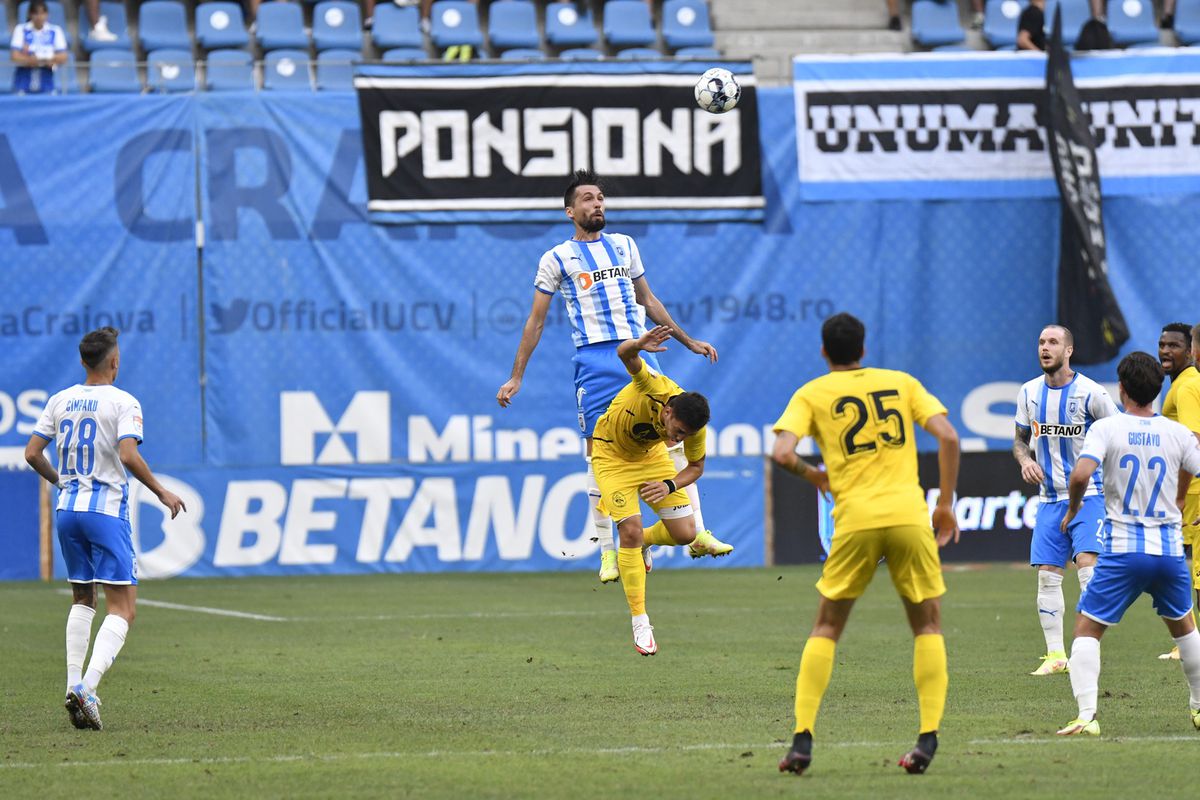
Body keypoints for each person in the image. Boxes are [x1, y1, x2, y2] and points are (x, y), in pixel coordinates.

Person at [496, 169, 719, 584]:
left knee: (669, 437)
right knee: (597, 449)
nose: (597, 203)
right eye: (587, 198)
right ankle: (608, 551)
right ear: (570, 210)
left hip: (640, 352)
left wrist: (687, 342)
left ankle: (696, 532)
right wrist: (517, 376)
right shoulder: (556, 258)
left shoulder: (624, 245)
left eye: (600, 197)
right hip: (596, 362)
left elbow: (648, 299)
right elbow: (536, 321)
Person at [772, 312, 960, 776]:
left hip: (855, 520)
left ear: (823, 351)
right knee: (928, 625)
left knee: (826, 627)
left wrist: (814, 474)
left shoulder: (812, 393)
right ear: (864, 348)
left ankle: (801, 740)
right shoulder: (900, 382)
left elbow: (781, 452)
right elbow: (949, 436)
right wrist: (945, 505)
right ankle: (928, 738)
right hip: (908, 517)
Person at [24, 327, 185, 731]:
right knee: (123, 608)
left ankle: (72, 686)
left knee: (82, 599)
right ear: (114, 361)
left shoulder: (60, 400)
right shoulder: (123, 402)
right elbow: (128, 455)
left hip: (68, 510)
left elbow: (31, 453)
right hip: (106, 512)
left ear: (82, 361)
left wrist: (62, 481)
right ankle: (87, 689)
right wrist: (162, 491)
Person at [1056, 351, 1200, 736]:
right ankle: (1199, 708)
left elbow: (1080, 475)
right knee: (1186, 629)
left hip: (1123, 550)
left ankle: (1087, 717)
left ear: (1121, 389)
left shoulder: (1107, 429)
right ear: (1156, 391)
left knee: (1087, 629)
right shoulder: (1178, 433)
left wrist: (1072, 510)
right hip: (1169, 552)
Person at [590, 325, 731, 656]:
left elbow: (695, 469)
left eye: (686, 435)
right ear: (668, 411)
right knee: (630, 530)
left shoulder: (694, 430)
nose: (680, 439)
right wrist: (639, 344)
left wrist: (669, 483)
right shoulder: (652, 385)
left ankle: (643, 545)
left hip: (651, 459)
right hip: (610, 455)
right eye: (678, 431)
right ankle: (640, 622)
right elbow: (624, 354)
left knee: (686, 535)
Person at [1013, 325, 1118, 676]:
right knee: (1047, 576)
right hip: (1049, 500)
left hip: (1089, 496)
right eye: (1041, 341)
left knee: (1088, 567)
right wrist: (1026, 460)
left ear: (1068, 350)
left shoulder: (1092, 394)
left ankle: (1089, 648)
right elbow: (1019, 439)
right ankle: (1056, 656)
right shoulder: (1028, 393)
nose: (1045, 347)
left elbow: (1116, 439)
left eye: (1053, 342)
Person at [1158, 321, 1200, 660]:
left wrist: (1179, 493)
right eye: (1162, 344)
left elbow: (1192, 442)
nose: (1166, 351)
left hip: (1195, 491)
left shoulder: (1186, 387)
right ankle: (1187, 641)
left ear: (1191, 350)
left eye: (1174, 345)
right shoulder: (1181, 384)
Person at [9, 0, 68, 95]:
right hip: (22, 83)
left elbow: (63, 56)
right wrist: (29, 60)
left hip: (47, 83)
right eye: (35, 13)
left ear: (47, 14)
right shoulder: (21, 30)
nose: (39, 17)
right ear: (30, 14)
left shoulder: (55, 31)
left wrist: (47, 59)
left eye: (42, 13)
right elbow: (14, 56)